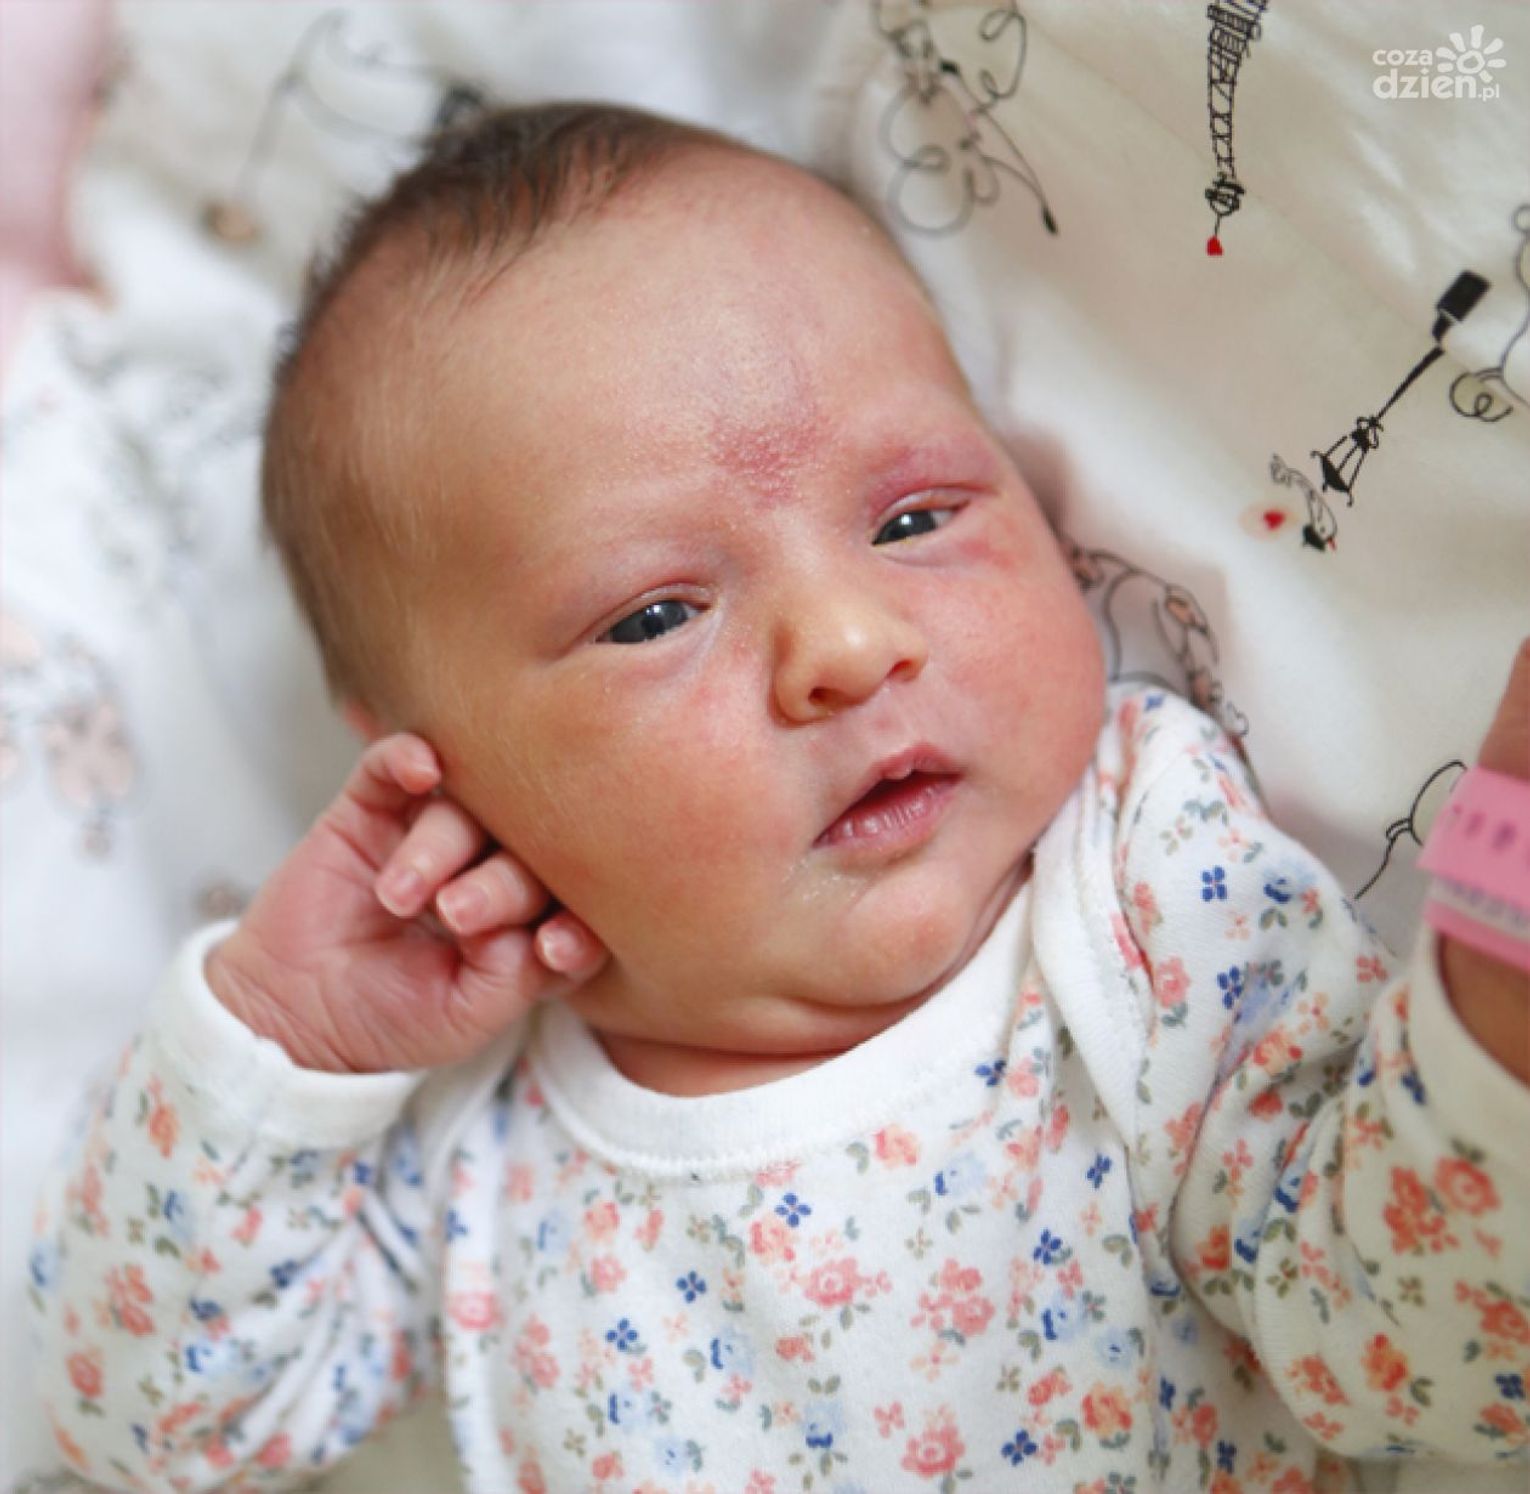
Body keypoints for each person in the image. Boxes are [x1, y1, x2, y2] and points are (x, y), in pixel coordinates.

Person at [29, 103, 1530, 1493]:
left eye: (915, 517)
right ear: (432, 766)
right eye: (655, 615)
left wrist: (1503, 915)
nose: (848, 644)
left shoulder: (1148, 893)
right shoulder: (470, 1138)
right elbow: (154, 1429)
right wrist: (287, 1041)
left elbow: (1411, 1332)